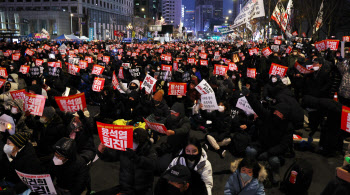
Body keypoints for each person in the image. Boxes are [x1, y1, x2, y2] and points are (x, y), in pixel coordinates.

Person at [97, 128, 157, 195]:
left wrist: (136, 158)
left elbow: (152, 165)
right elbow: (112, 157)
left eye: (136, 142)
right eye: (132, 140)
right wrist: (102, 152)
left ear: (142, 143)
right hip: (125, 188)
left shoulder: (150, 151)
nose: (133, 143)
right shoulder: (126, 148)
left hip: (142, 190)